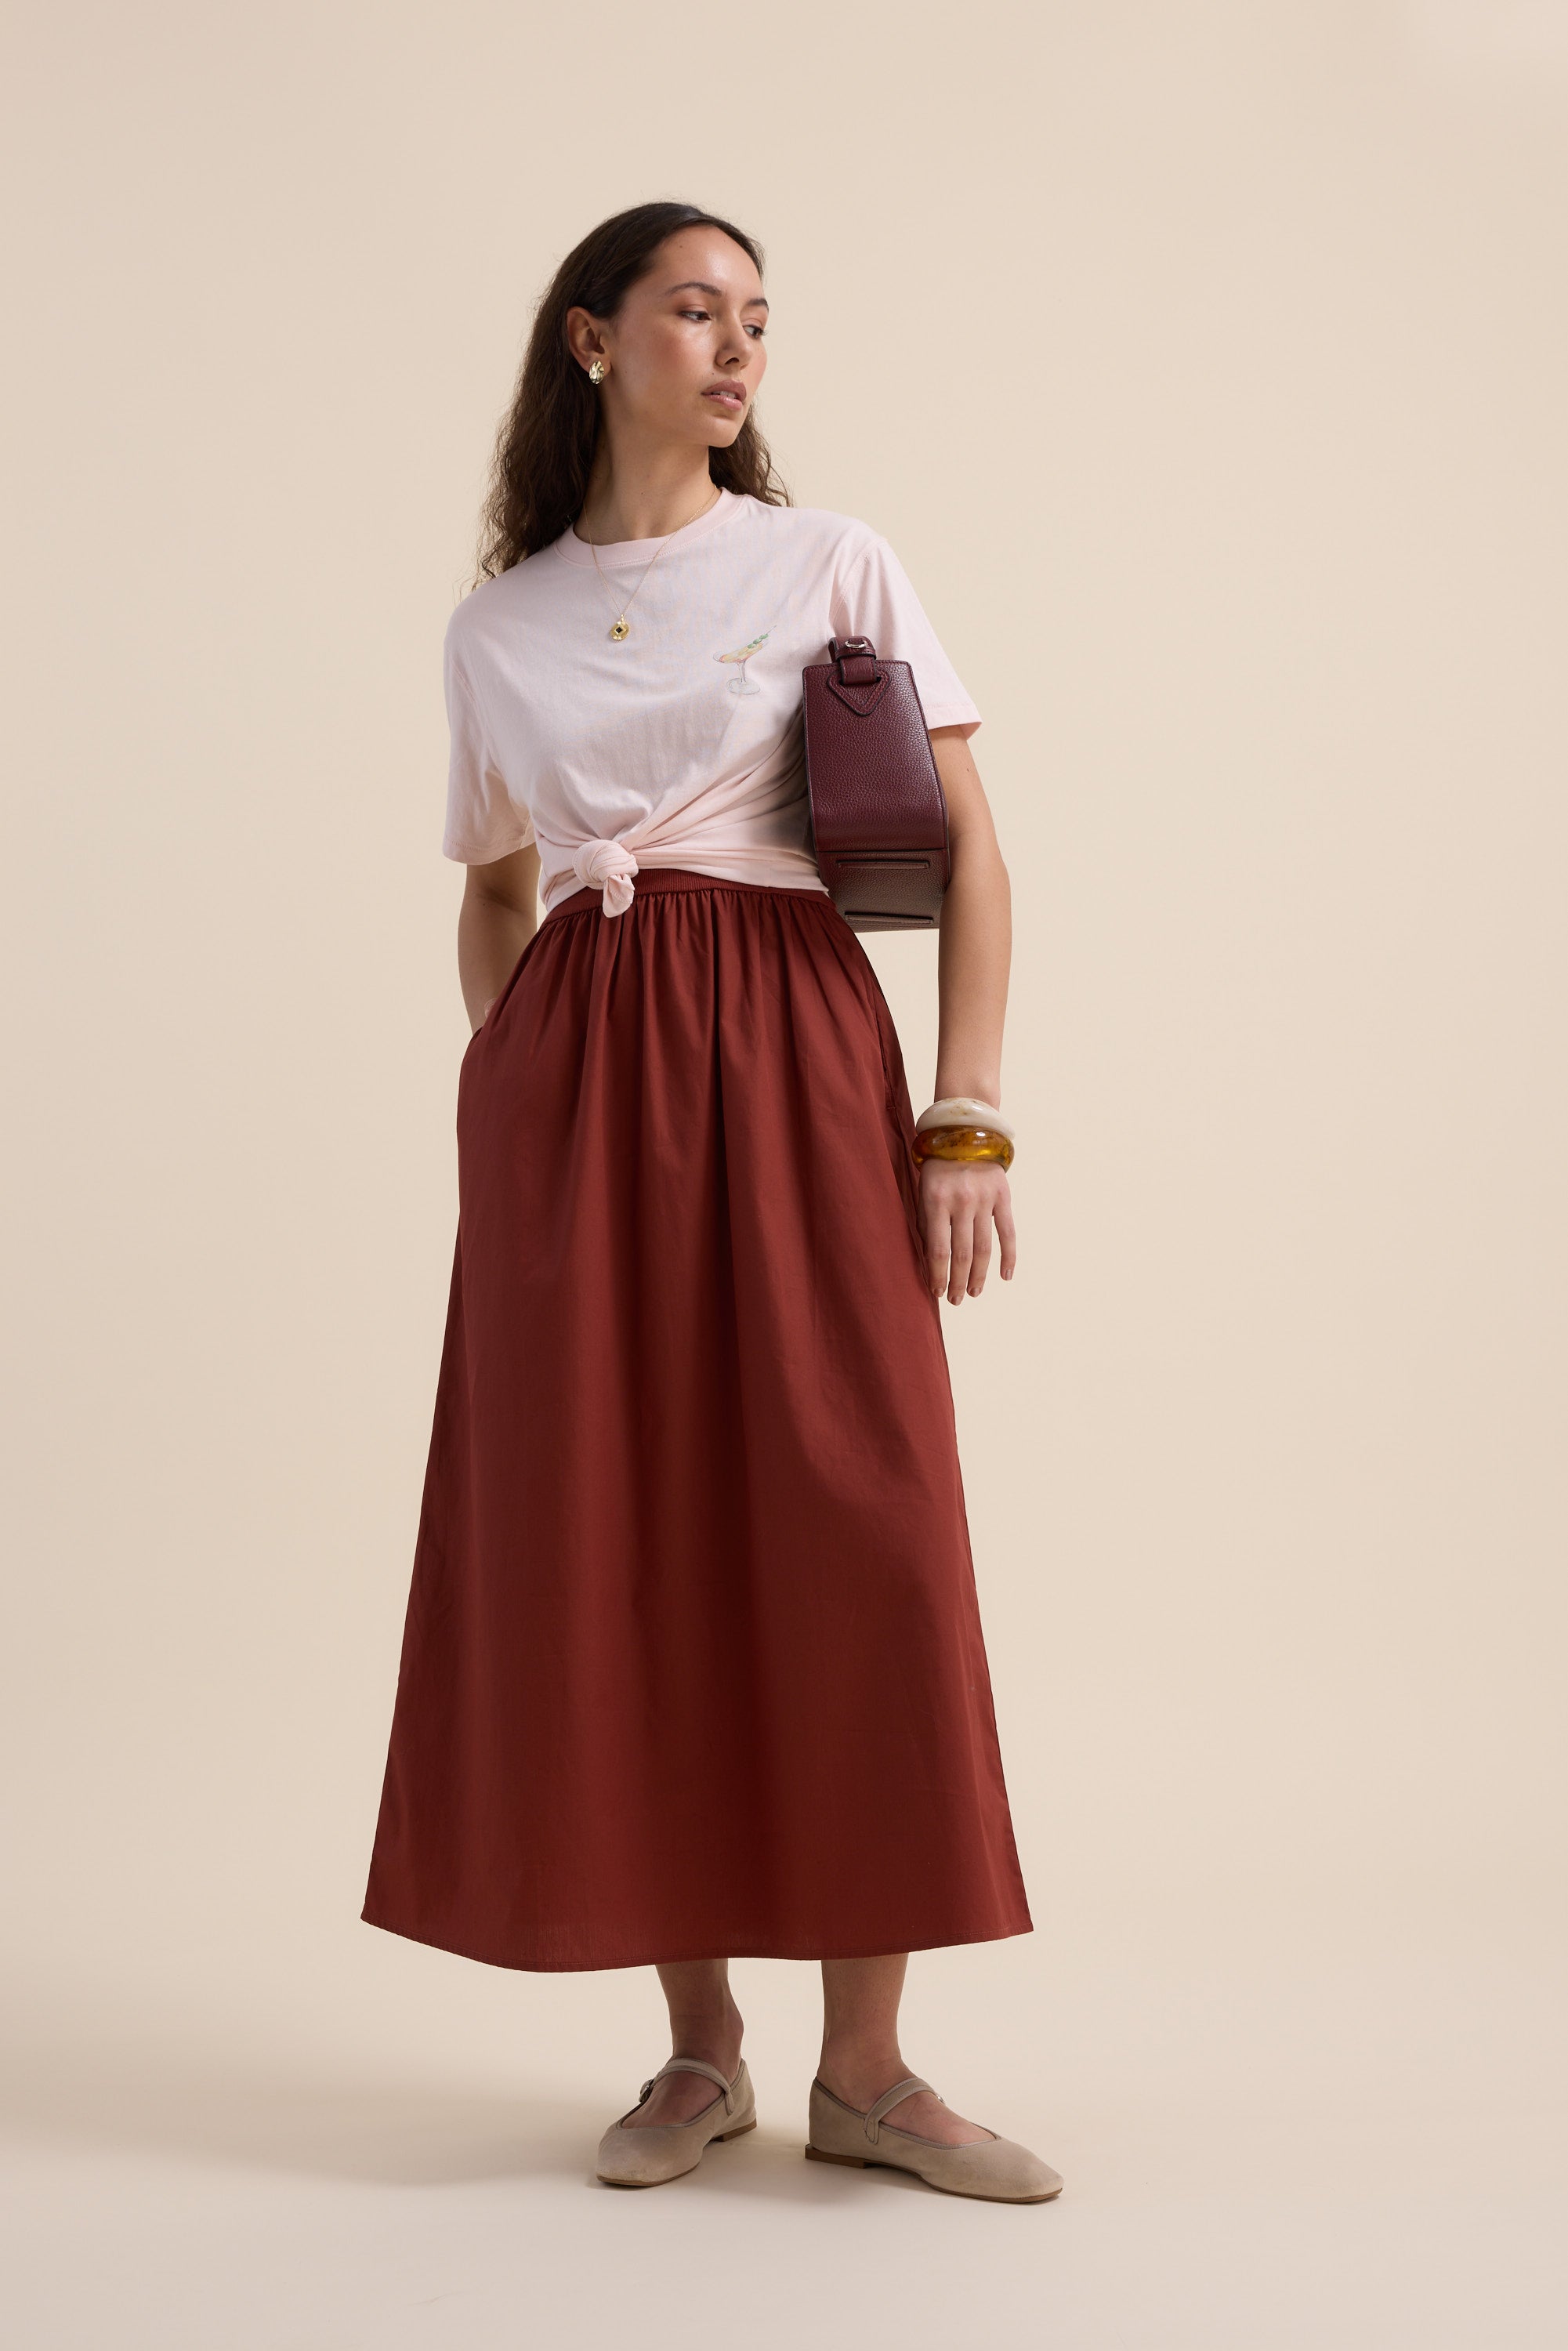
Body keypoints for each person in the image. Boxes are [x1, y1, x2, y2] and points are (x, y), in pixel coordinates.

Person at [361, 199, 1062, 2207]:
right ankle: (696, 2053)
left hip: (792, 1057)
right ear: (591, 341)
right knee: (623, 1532)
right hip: (573, 1099)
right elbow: (496, 893)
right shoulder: (493, 629)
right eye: (695, 310)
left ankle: (872, 2070)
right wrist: (519, 1112)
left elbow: (971, 857)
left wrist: (967, 1115)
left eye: (758, 318)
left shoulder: (829, 563)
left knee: (861, 1521)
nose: (738, 347)